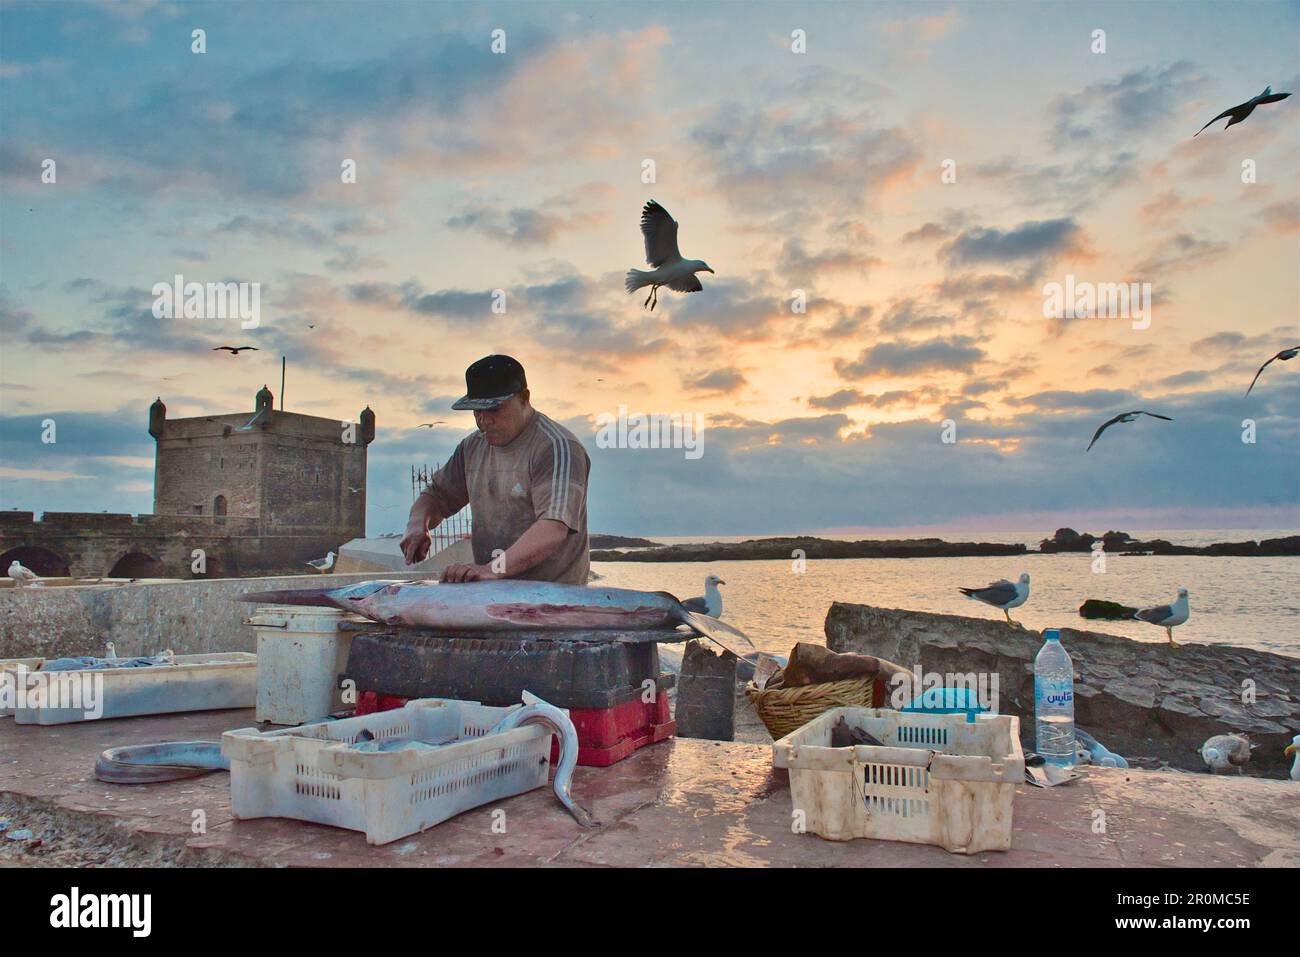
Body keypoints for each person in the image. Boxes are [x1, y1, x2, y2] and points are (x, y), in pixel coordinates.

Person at [401, 355, 591, 584]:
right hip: (490, 595)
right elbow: (436, 496)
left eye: (494, 409)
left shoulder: (557, 447)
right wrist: (417, 525)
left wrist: (491, 569)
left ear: (524, 398)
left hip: (553, 602)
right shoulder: (472, 447)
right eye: (476, 411)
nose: (484, 421)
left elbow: (553, 528)